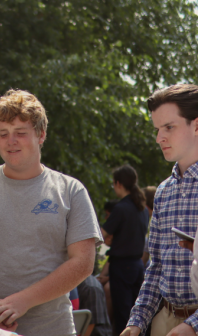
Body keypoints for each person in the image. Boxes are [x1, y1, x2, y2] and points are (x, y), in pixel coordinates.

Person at [0, 89, 102, 336]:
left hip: (51, 328)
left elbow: (83, 263)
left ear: (41, 135)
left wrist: (21, 302)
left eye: (20, 133)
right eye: (3, 134)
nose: (10, 141)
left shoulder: (70, 190)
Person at [123, 84, 198, 336]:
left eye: (169, 127)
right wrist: (136, 321)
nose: (158, 138)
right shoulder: (164, 193)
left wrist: (192, 325)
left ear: (197, 126)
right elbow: (156, 267)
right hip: (163, 321)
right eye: (157, 129)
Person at [101, 165, 149, 335]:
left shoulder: (121, 208)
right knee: (137, 317)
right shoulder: (141, 208)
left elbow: (102, 234)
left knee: (123, 316)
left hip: (122, 267)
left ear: (119, 184)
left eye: (113, 184)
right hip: (137, 267)